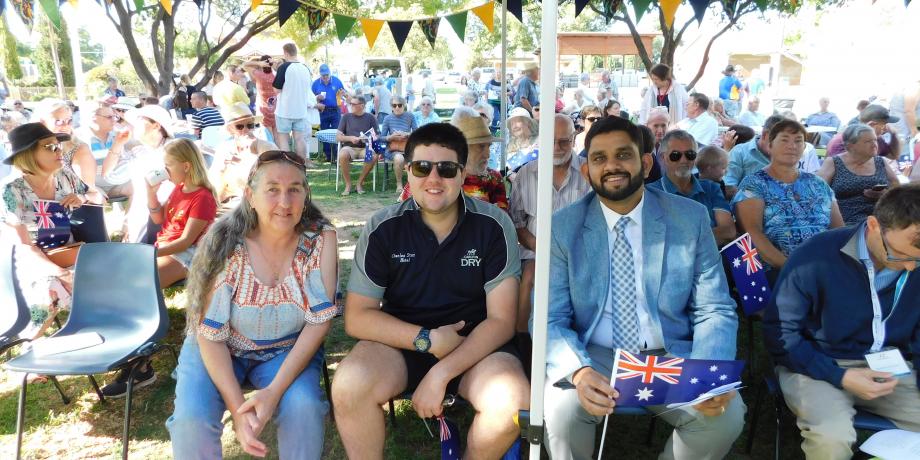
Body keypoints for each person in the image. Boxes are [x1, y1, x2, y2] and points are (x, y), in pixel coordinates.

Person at [543, 116, 743, 460]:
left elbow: (715, 307)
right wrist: (578, 370)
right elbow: (549, 316)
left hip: (669, 353)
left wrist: (711, 371)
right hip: (595, 354)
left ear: (646, 162)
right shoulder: (562, 227)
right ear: (587, 170)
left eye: (623, 155)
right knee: (562, 412)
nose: (611, 166)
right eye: (599, 158)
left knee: (724, 418)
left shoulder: (690, 217)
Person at [331, 123, 529, 459]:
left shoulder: (494, 225)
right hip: (402, 343)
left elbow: (501, 320)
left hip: (477, 347)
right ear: (407, 170)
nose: (433, 179)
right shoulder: (383, 227)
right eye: (422, 167)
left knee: (512, 398)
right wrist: (427, 339)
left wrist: (440, 373)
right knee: (349, 385)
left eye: (446, 169)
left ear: (462, 173)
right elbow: (357, 318)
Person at [166, 149, 336, 459]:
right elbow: (209, 335)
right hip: (217, 348)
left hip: (286, 349)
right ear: (250, 196)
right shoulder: (223, 241)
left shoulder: (321, 238)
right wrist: (237, 409)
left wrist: (272, 393)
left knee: (304, 408)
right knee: (192, 420)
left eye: (294, 190)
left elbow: (319, 320)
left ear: (305, 195)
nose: (285, 202)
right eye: (272, 189)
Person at [763, 184, 920, 459]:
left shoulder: (915, 259)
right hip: (817, 366)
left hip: (893, 368)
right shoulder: (815, 256)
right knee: (831, 440)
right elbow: (780, 333)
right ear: (873, 225)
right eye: (900, 255)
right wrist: (840, 376)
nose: (910, 267)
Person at [1, 123, 103, 339]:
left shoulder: (65, 175)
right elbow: (25, 248)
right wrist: (62, 273)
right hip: (32, 261)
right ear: (28, 155)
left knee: (106, 273)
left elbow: (98, 197)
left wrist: (82, 198)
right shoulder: (11, 191)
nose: (59, 151)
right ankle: (30, 349)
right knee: (52, 287)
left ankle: (102, 333)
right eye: (49, 147)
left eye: (58, 145)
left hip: (68, 251)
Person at [732, 119, 844, 277]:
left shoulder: (818, 184)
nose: (792, 146)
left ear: (805, 147)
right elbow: (752, 232)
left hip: (824, 269)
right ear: (770, 146)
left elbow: (839, 231)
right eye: (784, 140)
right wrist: (791, 267)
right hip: (779, 272)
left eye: (798, 141)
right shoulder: (754, 184)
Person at [511, 115, 591, 333]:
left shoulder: (589, 172)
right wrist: (542, 248)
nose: (557, 147)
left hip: (581, 254)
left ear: (574, 139)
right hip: (535, 252)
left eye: (564, 141)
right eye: (551, 140)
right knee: (530, 278)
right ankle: (524, 346)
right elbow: (517, 224)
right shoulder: (525, 173)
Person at [398, 109, 508, 209]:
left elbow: (501, 220)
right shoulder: (426, 175)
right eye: (481, 146)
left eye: (489, 146)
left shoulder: (493, 178)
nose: (488, 154)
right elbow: (403, 215)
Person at [103, 105, 176, 243]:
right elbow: (110, 175)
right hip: (141, 217)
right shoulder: (139, 152)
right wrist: (117, 144)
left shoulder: (175, 149)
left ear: (156, 125)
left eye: (139, 120)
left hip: (169, 216)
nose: (133, 125)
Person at [648, 130, 735, 246]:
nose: (684, 160)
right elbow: (654, 240)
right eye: (675, 155)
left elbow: (728, 232)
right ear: (664, 157)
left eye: (690, 154)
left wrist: (681, 241)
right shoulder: (650, 193)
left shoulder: (711, 188)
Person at [816, 124, 900, 226]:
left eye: (875, 140)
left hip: (881, 218)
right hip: (845, 222)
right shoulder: (834, 162)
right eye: (868, 141)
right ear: (850, 145)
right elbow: (817, 192)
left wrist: (884, 194)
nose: (874, 144)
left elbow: (897, 189)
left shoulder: (880, 161)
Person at [209, 103, 277, 210]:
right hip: (229, 202)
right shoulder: (224, 148)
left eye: (250, 125)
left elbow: (273, 180)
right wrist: (222, 169)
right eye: (239, 126)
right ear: (230, 130)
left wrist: (248, 159)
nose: (246, 130)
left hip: (258, 203)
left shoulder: (266, 147)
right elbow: (213, 185)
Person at [273, 43, 318, 161]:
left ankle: (288, 166)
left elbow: (276, 89)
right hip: (301, 110)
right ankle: (301, 165)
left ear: (285, 53)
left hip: (285, 110)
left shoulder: (284, 67)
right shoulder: (305, 68)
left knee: (283, 139)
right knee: (300, 139)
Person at [38, 100, 96, 191]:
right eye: (59, 121)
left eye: (69, 121)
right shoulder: (31, 148)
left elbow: (90, 191)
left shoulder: (79, 149)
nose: (66, 126)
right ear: (42, 122)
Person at [724, 114, 785, 199]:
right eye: (779, 141)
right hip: (748, 208)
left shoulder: (788, 155)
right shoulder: (740, 152)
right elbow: (728, 187)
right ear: (764, 135)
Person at [335, 95, 379, 196]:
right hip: (349, 147)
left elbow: (377, 136)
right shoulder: (346, 117)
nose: (351, 106)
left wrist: (368, 139)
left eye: (354, 104)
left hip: (365, 147)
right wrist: (350, 138)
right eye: (350, 104)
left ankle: (359, 183)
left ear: (362, 105)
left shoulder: (370, 117)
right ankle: (348, 185)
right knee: (342, 155)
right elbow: (338, 137)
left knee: (373, 156)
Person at [827, 105, 900, 159]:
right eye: (884, 125)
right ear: (872, 125)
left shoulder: (876, 139)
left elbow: (893, 156)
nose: (886, 128)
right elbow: (852, 169)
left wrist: (894, 134)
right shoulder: (844, 140)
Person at [380, 95, 417, 191]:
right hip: (393, 149)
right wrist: (391, 137)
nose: (397, 107)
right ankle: (399, 184)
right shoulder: (387, 118)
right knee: (399, 158)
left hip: (408, 147)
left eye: (399, 105)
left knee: (419, 157)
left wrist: (407, 134)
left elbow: (417, 133)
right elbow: (381, 137)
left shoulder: (410, 116)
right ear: (391, 106)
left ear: (404, 105)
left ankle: (415, 184)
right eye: (394, 105)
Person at [312, 64, 346, 162]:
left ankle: (337, 155)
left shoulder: (337, 81)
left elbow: (343, 93)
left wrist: (343, 94)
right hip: (323, 111)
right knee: (324, 133)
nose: (325, 77)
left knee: (337, 132)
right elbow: (310, 99)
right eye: (323, 75)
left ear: (330, 73)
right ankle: (328, 156)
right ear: (320, 75)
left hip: (335, 110)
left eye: (327, 75)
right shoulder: (315, 84)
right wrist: (317, 98)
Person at [243, 55, 279, 145]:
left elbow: (244, 65)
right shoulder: (276, 75)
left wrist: (259, 63)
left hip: (264, 110)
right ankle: (280, 155)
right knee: (277, 137)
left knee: (268, 137)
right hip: (276, 109)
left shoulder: (259, 75)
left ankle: (271, 156)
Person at [506, 107, 539, 171]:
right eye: (512, 124)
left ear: (528, 123)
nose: (514, 126)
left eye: (517, 121)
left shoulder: (538, 141)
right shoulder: (510, 145)